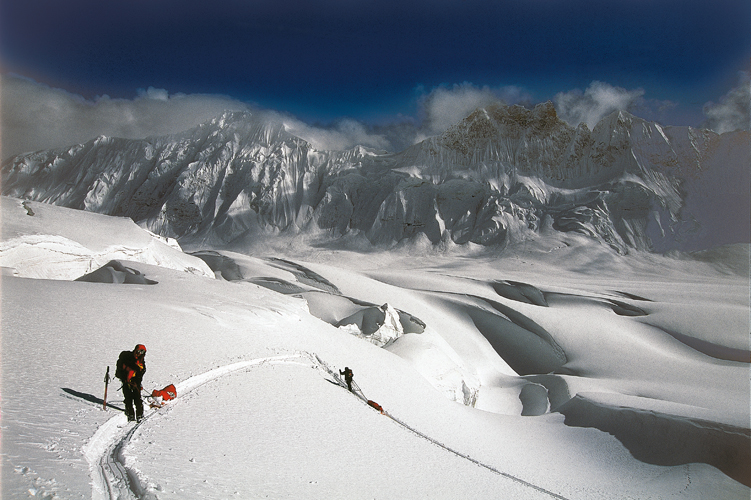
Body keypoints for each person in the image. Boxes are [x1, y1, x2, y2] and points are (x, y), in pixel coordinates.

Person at [116, 344, 147, 422]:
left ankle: (139, 415)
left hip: (136, 382)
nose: (140, 353)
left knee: (137, 398)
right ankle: (131, 414)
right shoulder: (128, 358)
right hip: (126, 381)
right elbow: (122, 370)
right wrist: (125, 379)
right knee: (128, 398)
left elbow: (142, 372)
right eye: (139, 351)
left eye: (142, 351)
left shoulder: (141, 360)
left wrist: (137, 381)